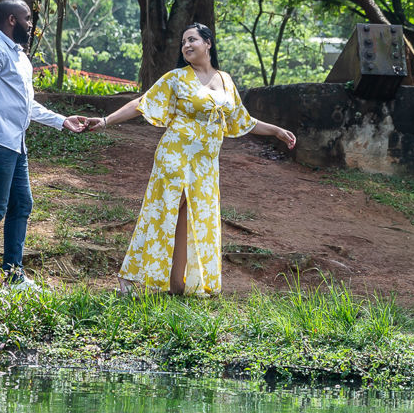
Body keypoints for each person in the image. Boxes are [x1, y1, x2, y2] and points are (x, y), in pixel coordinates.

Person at [88, 23, 297, 296]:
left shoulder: (225, 80)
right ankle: (131, 279)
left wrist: (277, 131)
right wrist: (105, 121)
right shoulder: (176, 78)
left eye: (192, 40)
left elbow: (242, 120)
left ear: (208, 43)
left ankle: (178, 285)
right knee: (162, 213)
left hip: (206, 163)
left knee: (195, 220)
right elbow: (142, 103)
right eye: (184, 42)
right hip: (175, 155)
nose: (186, 45)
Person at [0, 0, 92, 286]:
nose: (31, 25)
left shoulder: (20, 56)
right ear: (12, 20)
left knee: (22, 204)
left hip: (15, 143)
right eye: (27, 19)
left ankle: (14, 275)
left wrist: (61, 120)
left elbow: (27, 106)